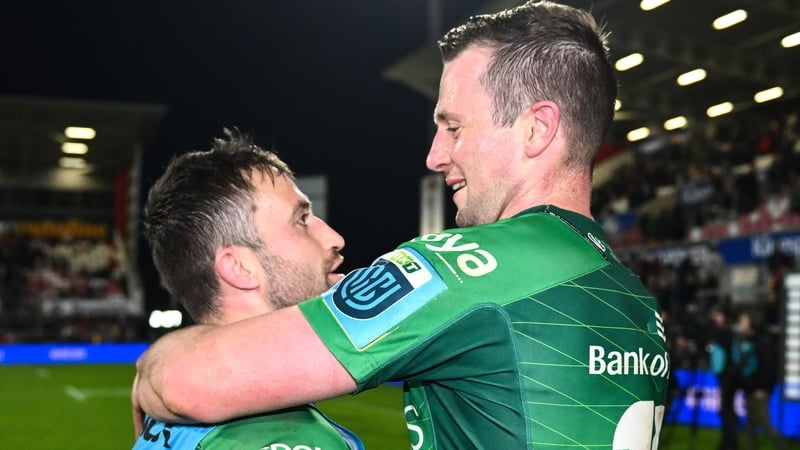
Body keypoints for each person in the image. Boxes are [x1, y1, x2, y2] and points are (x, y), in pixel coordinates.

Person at [133, 2, 669, 448]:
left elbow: (189, 385)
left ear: (536, 129)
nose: (435, 155)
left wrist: (155, 362)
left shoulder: (469, 269)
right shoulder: (635, 300)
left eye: (453, 126)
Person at [131, 129, 363, 450]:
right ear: (239, 267)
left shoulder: (170, 415)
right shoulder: (286, 440)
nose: (335, 238)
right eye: (302, 219)